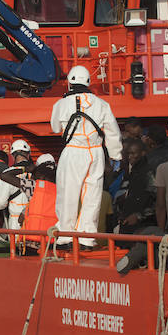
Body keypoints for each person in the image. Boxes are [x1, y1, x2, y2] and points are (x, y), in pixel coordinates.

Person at [50, 65, 123, 249]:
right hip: (96, 152)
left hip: (73, 150)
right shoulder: (102, 104)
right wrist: (115, 156)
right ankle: (87, 238)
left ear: (70, 82)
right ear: (88, 82)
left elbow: (55, 128)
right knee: (93, 196)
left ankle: (66, 237)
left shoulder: (60, 104)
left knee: (68, 194)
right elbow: (113, 133)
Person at [0, 140, 34, 230]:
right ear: (28, 154)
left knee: (17, 244)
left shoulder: (7, 174)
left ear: (13, 155)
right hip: (36, 219)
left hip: (16, 221)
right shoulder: (38, 172)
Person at [115, 138, 156, 234]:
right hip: (127, 225)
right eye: (128, 153)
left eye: (133, 153)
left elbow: (156, 202)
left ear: (142, 153)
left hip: (143, 227)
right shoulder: (131, 173)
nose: (130, 157)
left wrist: (139, 216)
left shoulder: (149, 173)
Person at [19, 159, 58, 248]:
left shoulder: (33, 187)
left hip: (31, 243)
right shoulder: (62, 190)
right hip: (52, 242)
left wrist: (25, 170)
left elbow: (5, 176)